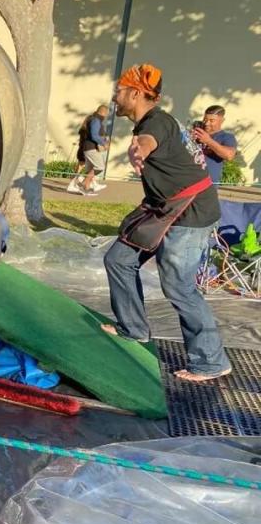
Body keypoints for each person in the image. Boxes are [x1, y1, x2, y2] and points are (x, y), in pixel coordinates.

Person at [102, 63, 230, 382]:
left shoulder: (156, 123)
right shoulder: (153, 121)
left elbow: (147, 141)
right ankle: (133, 329)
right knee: (118, 259)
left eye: (120, 90)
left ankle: (211, 361)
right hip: (164, 207)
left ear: (135, 93)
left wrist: (138, 151)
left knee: (178, 286)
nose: (115, 96)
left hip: (190, 212)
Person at [67, 105, 109, 195]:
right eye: (106, 114)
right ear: (103, 113)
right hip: (90, 148)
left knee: (89, 169)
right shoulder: (96, 120)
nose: (105, 117)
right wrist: (103, 142)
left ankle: (85, 189)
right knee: (100, 167)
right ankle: (83, 184)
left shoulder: (93, 120)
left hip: (87, 148)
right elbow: (94, 135)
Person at [191, 105, 237, 185]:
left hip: (208, 185)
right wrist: (188, 139)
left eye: (211, 120)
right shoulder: (196, 134)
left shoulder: (226, 137)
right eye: (205, 119)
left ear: (222, 120)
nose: (207, 123)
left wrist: (208, 141)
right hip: (187, 181)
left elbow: (229, 155)